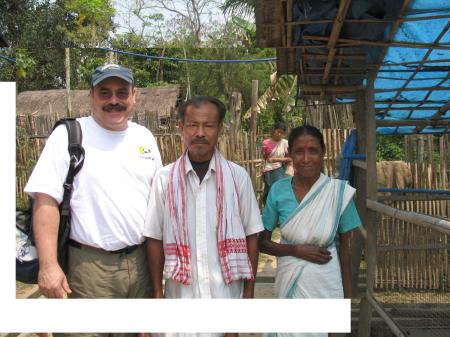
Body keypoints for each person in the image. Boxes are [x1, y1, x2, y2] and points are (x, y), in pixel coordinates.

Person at [24, 64, 163, 337]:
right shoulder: (69, 136)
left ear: (134, 96)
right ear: (91, 95)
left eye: (122, 93)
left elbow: (160, 203)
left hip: (140, 264)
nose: (114, 100)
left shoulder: (144, 138)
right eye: (105, 93)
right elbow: (45, 202)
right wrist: (49, 267)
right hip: (89, 268)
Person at [144, 96, 263, 308]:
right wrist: (157, 293)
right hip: (180, 298)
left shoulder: (238, 178)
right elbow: (154, 237)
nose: (200, 133)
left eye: (208, 125)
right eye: (192, 125)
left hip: (226, 298)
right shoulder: (164, 179)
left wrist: (248, 294)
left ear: (220, 128)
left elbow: (251, 236)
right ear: (181, 127)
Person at [259, 125, 361, 337]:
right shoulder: (278, 190)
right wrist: (295, 250)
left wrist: (345, 305)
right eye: (299, 151)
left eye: (313, 150)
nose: (306, 158)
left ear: (323, 153)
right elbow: (262, 242)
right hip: (290, 282)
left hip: (326, 284)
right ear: (290, 155)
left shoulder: (337, 192)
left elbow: (345, 252)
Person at [261, 122, 291, 203]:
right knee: (268, 192)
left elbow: (289, 158)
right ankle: (268, 210)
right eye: (278, 131)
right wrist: (264, 153)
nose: (279, 134)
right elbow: (265, 158)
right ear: (273, 131)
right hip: (267, 170)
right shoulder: (266, 142)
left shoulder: (285, 143)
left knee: (278, 191)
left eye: (281, 132)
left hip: (279, 169)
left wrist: (275, 160)